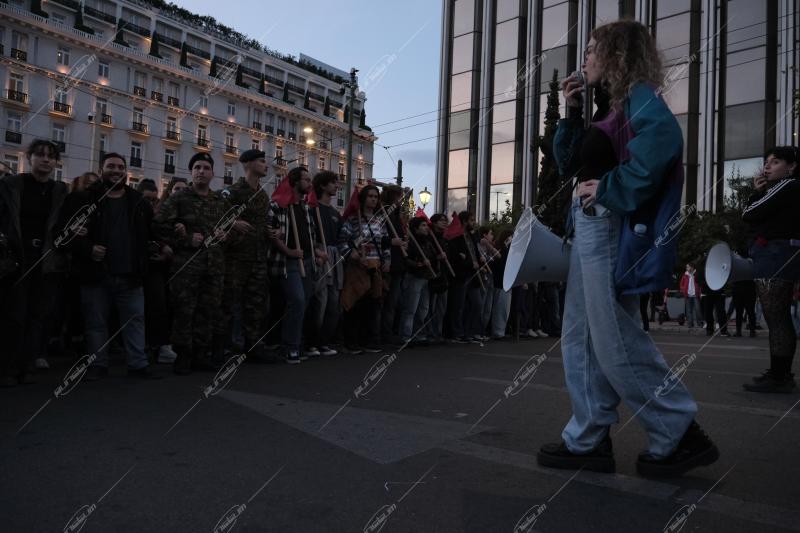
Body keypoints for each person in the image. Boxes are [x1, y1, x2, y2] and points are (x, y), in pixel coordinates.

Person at [537, 20, 717, 478]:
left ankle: (676, 428)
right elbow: (569, 166)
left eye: (594, 49)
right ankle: (588, 436)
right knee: (581, 337)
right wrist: (571, 112)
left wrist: (612, 187)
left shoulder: (639, 95)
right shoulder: (614, 104)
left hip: (605, 225)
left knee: (612, 337)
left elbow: (664, 144)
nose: (586, 57)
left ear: (617, 55)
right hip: (590, 224)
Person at [58, 152, 159, 380]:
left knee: (134, 321)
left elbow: (152, 233)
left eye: (120, 167)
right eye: (111, 166)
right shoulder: (83, 199)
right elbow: (63, 234)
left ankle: (138, 365)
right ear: (102, 169)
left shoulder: (138, 201)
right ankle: (97, 365)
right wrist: (87, 248)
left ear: (126, 171)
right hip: (95, 275)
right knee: (95, 323)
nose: (116, 170)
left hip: (131, 275)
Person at [154, 153, 237, 374]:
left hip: (214, 266)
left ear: (212, 173)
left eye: (206, 168)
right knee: (184, 311)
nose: (201, 171)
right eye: (197, 167)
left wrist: (226, 236)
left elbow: (231, 231)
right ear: (192, 172)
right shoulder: (180, 198)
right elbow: (159, 226)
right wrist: (184, 238)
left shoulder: (220, 201)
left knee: (207, 311)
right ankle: (183, 355)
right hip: (187, 266)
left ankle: (201, 354)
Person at [0, 140, 69, 385]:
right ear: (29, 158)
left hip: (46, 259)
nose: (46, 159)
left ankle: (26, 366)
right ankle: (7, 368)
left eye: (51, 156)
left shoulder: (60, 190)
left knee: (37, 314)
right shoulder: (11, 185)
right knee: (14, 314)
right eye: (40, 155)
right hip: (17, 257)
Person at [741, 146, 800, 393]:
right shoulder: (787, 189)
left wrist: (757, 193)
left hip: (776, 255)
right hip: (780, 253)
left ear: (792, 166)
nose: (767, 166)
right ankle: (780, 373)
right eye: (767, 162)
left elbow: (748, 213)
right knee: (779, 316)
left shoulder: (787, 186)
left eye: (775, 162)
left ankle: (779, 376)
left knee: (776, 317)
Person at [267, 166, 327, 364]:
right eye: (306, 180)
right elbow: (271, 233)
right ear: (295, 182)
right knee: (298, 301)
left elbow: (309, 236)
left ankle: (293, 342)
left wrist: (317, 252)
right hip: (288, 262)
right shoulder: (278, 205)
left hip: (307, 262)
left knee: (303, 304)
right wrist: (289, 251)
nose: (310, 184)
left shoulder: (306, 207)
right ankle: (290, 346)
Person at [217, 149, 272, 362]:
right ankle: (222, 349)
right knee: (228, 303)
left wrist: (271, 231)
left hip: (258, 257)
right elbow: (217, 215)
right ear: (248, 164)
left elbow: (263, 222)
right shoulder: (233, 192)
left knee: (256, 304)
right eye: (261, 161)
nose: (265, 165)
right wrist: (233, 222)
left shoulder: (263, 195)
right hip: (236, 256)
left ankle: (253, 346)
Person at [338, 184, 390, 354]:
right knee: (355, 303)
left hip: (375, 267)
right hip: (357, 267)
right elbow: (342, 242)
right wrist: (352, 254)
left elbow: (385, 243)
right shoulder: (353, 219)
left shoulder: (380, 220)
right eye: (370, 196)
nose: (373, 199)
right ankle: (351, 341)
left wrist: (387, 259)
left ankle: (370, 340)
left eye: (376, 197)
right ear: (363, 199)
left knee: (373, 304)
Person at [306, 170, 343, 357]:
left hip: (334, 257)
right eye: (333, 182)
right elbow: (307, 236)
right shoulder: (312, 209)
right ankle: (311, 342)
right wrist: (316, 251)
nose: (337, 186)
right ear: (322, 186)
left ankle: (325, 341)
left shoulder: (336, 213)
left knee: (333, 302)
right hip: (319, 256)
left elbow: (340, 238)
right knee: (319, 301)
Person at [398, 217, 438, 345]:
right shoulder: (410, 242)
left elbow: (432, 256)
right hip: (414, 277)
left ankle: (418, 334)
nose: (426, 228)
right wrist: (419, 264)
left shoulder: (428, 242)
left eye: (426, 225)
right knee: (411, 308)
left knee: (423, 309)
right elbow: (406, 259)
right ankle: (405, 335)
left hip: (425, 278)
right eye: (423, 225)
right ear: (416, 228)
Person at [446, 211, 482, 343]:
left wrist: (479, 260)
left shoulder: (472, 236)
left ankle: (468, 331)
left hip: (473, 275)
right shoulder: (457, 237)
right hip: (462, 275)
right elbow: (456, 257)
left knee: (476, 304)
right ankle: (457, 332)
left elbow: (474, 252)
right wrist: (469, 262)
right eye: (472, 220)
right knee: (459, 305)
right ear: (465, 221)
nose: (474, 223)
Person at [426, 214, 450, 343]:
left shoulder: (444, 238)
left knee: (441, 307)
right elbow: (426, 254)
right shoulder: (429, 238)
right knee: (431, 306)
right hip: (433, 275)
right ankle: (429, 333)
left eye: (446, 220)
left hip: (443, 276)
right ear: (434, 223)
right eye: (442, 220)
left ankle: (438, 332)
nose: (445, 223)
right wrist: (436, 258)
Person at [489, 230, 513, 339]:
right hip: (500, 281)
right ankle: (498, 331)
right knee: (500, 307)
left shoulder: (508, 249)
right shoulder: (501, 248)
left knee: (504, 308)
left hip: (506, 282)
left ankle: (501, 330)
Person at [679, 263, 702, 328]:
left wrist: (700, 292)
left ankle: (699, 323)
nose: (687, 268)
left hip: (695, 295)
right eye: (686, 267)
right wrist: (683, 290)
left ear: (692, 267)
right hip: (688, 295)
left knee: (698, 310)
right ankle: (690, 324)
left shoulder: (696, 274)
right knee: (689, 310)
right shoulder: (685, 275)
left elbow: (700, 284)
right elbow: (681, 284)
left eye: (688, 267)